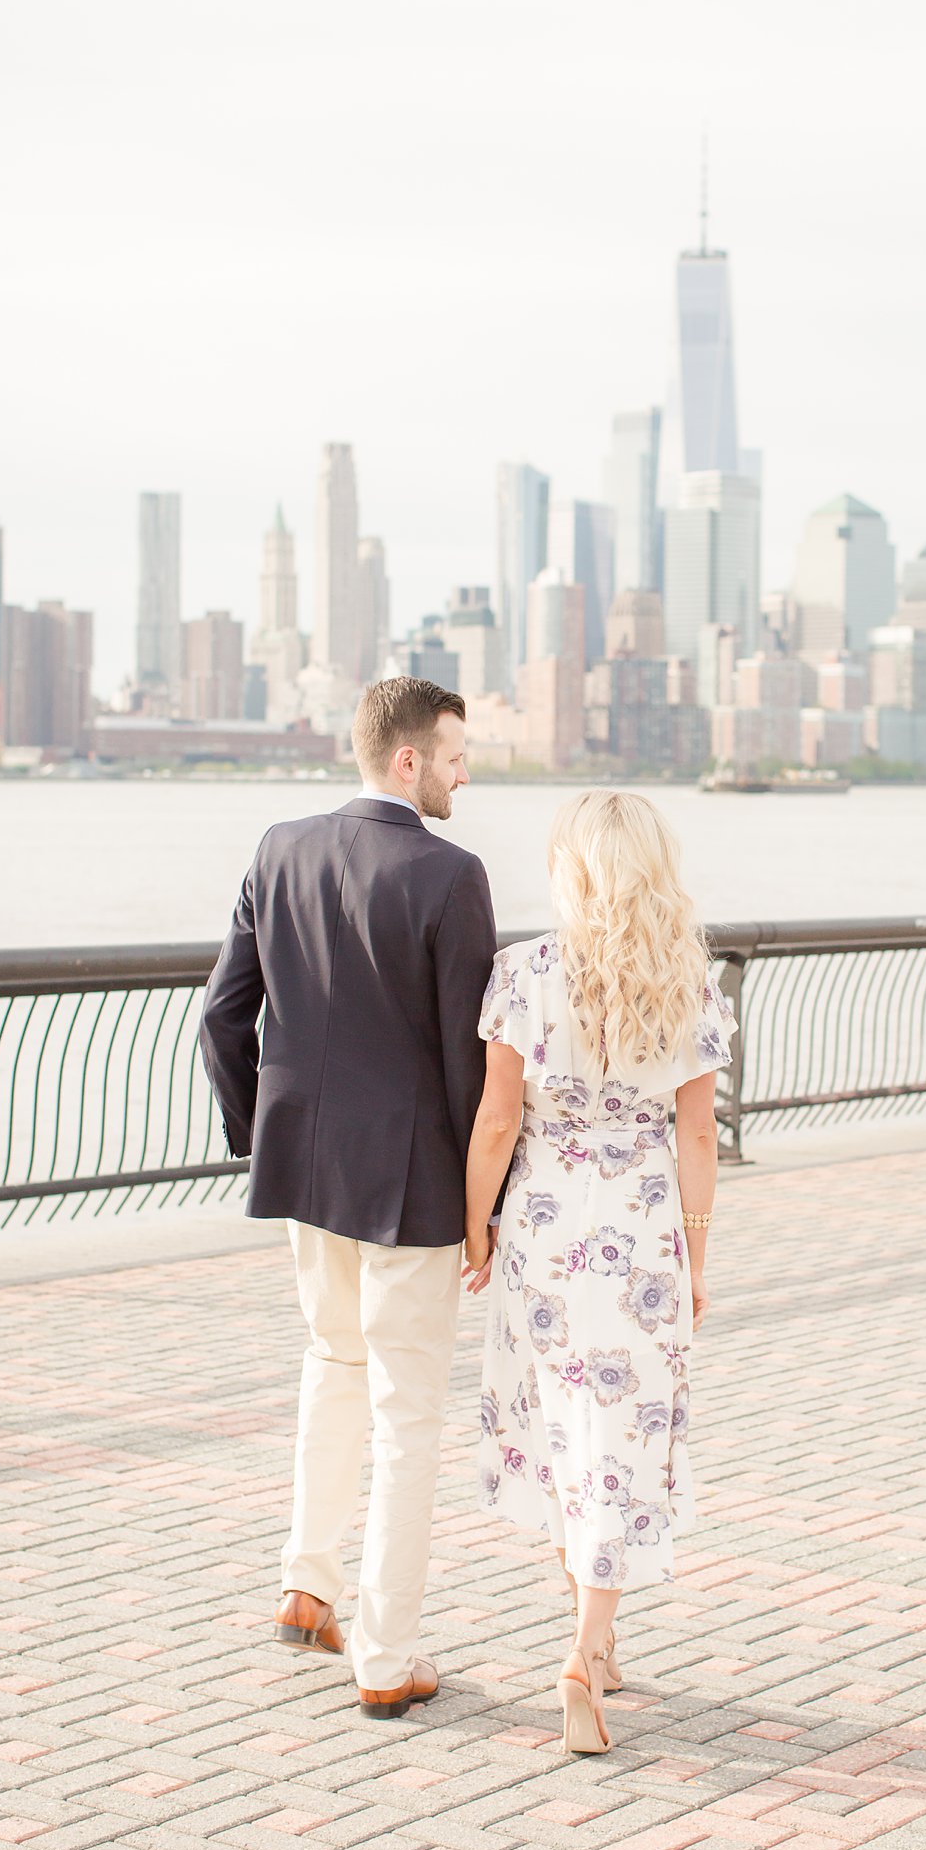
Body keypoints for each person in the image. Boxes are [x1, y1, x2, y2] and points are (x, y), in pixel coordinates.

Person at [199, 676, 498, 1720]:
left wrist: (265, 1135)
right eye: (456, 752)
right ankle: (385, 1654)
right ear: (407, 760)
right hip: (410, 1178)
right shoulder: (448, 874)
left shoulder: (277, 848)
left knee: (332, 1363)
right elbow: (469, 1064)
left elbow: (219, 1020)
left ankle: (305, 1583)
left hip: (305, 1173)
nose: (468, 770)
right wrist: (482, 1201)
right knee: (407, 1412)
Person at [462, 790, 735, 1755]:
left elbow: (497, 1121)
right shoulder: (688, 983)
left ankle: (595, 1635)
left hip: (543, 1227)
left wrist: (476, 1229)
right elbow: (696, 1133)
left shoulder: (523, 972)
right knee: (620, 1432)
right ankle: (589, 1647)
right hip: (641, 1232)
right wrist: (695, 1258)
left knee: (564, 1424)